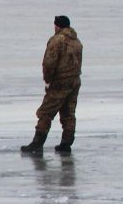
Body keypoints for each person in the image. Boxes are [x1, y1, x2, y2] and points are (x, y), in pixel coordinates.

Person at [21, 14, 83, 154]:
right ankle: (66, 143)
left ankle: (37, 143)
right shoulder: (77, 41)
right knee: (68, 113)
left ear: (57, 26)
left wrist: (48, 80)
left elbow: (49, 63)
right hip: (74, 81)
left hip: (60, 82)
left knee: (46, 112)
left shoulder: (57, 40)